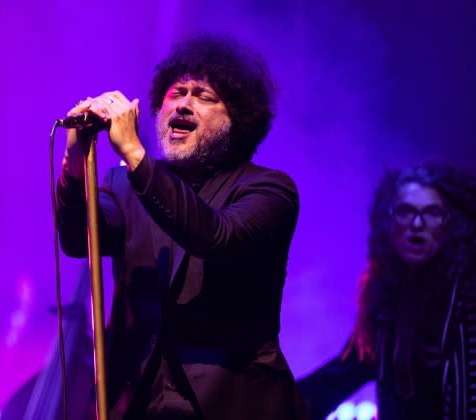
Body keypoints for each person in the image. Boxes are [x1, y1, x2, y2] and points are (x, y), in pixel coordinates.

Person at [56, 34, 306, 419]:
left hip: (235, 405)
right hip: (140, 403)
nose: (184, 105)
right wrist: (74, 163)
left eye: (204, 96)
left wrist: (136, 154)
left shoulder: (269, 190)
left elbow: (216, 236)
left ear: (238, 119)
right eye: (176, 94)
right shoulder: (124, 185)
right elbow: (78, 240)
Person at [297, 163, 476, 419]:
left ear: (451, 224)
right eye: (405, 211)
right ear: (389, 223)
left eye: (432, 212)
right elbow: (338, 377)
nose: (417, 223)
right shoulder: (387, 305)